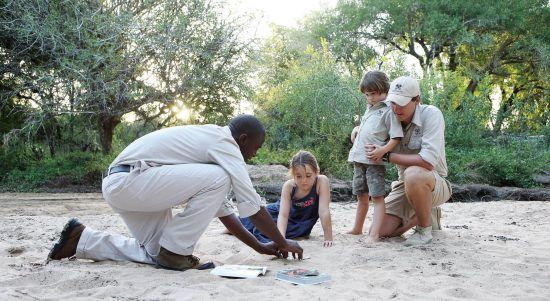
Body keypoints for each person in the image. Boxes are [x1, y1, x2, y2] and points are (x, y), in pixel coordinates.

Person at [47, 114, 303, 270]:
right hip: (132, 182)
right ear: (243, 139)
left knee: (156, 255)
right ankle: (176, 250)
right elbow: (252, 206)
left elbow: (223, 211)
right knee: (219, 179)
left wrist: (260, 246)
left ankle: (81, 240)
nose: (255, 153)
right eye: (256, 147)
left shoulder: (209, 147)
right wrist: (283, 242)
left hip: (126, 185)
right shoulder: (224, 143)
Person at [367, 76, 452, 246]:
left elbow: (427, 162)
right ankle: (423, 215)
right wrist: (357, 130)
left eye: (402, 103)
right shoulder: (388, 115)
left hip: (435, 182)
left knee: (413, 173)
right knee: (378, 231)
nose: (396, 108)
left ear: (417, 100)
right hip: (403, 184)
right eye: (393, 102)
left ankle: (423, 230)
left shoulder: (432, 114)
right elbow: (369, 128)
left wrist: (386, 156)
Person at [346, 71, 403, 242]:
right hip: (358, 159)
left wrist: (383, 151)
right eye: (366, 95)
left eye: (372, 94)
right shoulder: (369, 108)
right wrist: (356, 130)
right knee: (361, 196)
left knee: (377, 197)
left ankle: (374, 234)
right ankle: (357, 228)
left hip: (374, 162)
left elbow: (396, 137)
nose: (369, 98)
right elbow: (368, 128)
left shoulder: (388, 111)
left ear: (384, 90)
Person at [238, 150, 333, 247]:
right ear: (293, 175)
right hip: (279, 213)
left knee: (268, 229)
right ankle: (229, 229)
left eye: (308, 176)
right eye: (299, 176)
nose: (304, 181)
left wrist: (328, 237)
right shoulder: (289, 186)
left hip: (300, 221)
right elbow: (283, 215)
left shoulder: (322, 182)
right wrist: (281, 240)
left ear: (316, 172)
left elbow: (324, 211)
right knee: (253, 221)